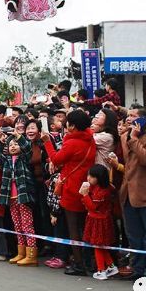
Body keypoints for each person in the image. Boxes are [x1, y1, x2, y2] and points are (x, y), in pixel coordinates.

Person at [42, 109, 96, 275]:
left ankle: (79, 264)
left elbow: (56, 159)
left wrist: (47, 142)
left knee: (73, 228)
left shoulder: (72, 142)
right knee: (84, 226)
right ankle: (88, 261)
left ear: (72, 126)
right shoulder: (89, 138)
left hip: (72, 187)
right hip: (86, 185)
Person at [118, 107, 146, 279]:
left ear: (143, 120)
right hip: (128, 193)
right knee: (133, 235)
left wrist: (135, 139)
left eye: (133, 116)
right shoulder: (124, 136)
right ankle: (137, 269)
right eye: (128, 116)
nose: (129, 119)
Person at [0, 120, 37, 265]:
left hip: (23, 195)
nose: (13, 146)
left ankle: (31, 254)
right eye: (10, 145)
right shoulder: (6, 159)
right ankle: (21, 252)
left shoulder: (24, 158)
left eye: (15, 144)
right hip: (10, 196)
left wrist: (18, 136)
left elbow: (27, 148)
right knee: (17, 225)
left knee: (27, 225)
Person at [80, 164, 117, 280]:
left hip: (99, 221)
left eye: (91, 176)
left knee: (97, 245)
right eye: (88, 175)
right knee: (101, 246)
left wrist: (85, 195)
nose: (88, 178)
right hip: (97, 219)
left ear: (99, 178)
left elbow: (92, 206)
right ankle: (111, 266)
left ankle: (101, 270)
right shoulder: (100, 188)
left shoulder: (102, 192)